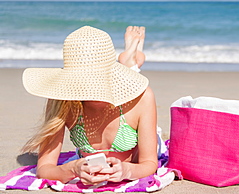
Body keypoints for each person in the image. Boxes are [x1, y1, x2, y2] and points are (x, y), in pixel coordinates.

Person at [21, 26, 158, 186]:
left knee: (133, 73)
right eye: (84, 80)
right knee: (130, 71)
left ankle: (130, 63)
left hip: (136, 146)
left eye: (93, 80)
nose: (90, 88)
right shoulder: (63, 101)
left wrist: (127, 170)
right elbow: (44, 169)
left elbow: (149, 163)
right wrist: (72, 168)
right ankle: (128, 63)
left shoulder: (142, 98)